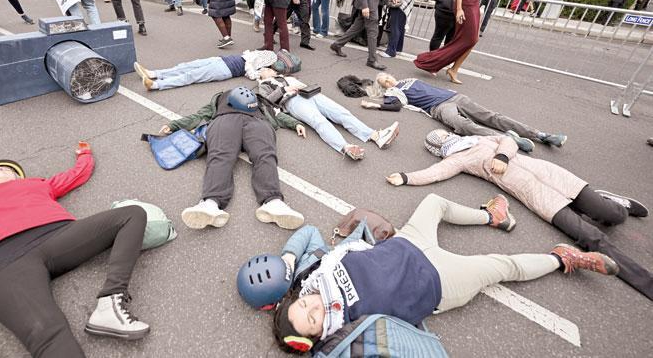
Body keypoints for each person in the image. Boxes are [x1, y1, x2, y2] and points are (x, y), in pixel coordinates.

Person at [266, 194, 618, 353]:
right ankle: (563, 258)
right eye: (312, 321)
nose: (316, 309)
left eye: (305, 305)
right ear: (312, 338)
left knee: (434, 201)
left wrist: (286, 259)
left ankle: (490, 216)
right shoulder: (342, 336)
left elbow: (309, 232)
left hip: (407, 242)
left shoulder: (313, 276)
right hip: (438, 281)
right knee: (502, 266)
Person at [0, 143, 154, 357]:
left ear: (18, 177)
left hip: (54, 236)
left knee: (132, 214)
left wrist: (84, 155)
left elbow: (76, 175)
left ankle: (110, 302)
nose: (1, 170)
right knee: (47, 333)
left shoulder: (38, 185)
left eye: (8, 169)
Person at [387, 130, 652, 301]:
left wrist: (502, 155)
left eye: (445, 134)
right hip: (535, 194)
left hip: (552, 175)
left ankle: (616, 204)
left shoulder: (480, 139)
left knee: (612, 215)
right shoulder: (458, 160)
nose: (447, 137)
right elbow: (435, 173)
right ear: (440, 148)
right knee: (590, 237)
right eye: (441, 140)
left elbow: (508, 139)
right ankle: (645, 282)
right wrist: (406, 177)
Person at [159, 87, 307, 230]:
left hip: (256, 121)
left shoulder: (260, 101)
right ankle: (210, 203)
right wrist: (175, 125)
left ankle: (273, 202)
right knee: (221, 155)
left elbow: (277, 114)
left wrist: (295, 124)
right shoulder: (219, 98)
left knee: (264, 155)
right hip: (227, 120)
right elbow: (199, 115)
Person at [359, 73, 567, 152]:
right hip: (439, 107)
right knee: (463, 126)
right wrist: (374, 104)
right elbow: (394, 106)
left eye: (387, 76)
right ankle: (508, 139)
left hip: (455, 96)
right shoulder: (394, 92)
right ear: (385, 87)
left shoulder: (407, 79)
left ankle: (541, 135)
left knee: (493, 117)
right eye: (384, 82)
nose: (388, 80)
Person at [255, 70, 399, 160]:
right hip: (292, 101)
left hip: (310, 94)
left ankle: (375, 136)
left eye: (270, 68)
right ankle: (345, 147)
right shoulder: (263, 85)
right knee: (319, 121)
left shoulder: (284, 75)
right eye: (266, 69)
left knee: (342, 113)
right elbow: (267, 101)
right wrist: (285, 89)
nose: (270, 69)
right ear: (261, 76)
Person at [134, 49, 278, 90]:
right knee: (186, 66)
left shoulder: (261, 69)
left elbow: (252, 74)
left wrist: (266, 73)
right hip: (220, 60)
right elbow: (247, 55)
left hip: (225, 69)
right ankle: (153, 73)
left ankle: (156, 84)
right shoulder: (257, 56)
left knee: (190, 76)